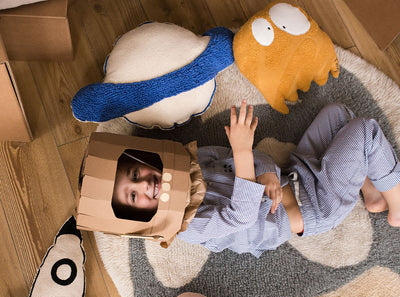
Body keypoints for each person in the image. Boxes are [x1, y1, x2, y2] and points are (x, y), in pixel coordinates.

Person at [112, 100, 400, 257]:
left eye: (135, 174)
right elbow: (242, 216)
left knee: (338, 114)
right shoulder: (187, 225)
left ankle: (372, 192)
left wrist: (266, 172)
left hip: (298, 174)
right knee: (365, 131)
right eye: (133, 195)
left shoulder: (191, 160)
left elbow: (251, 158)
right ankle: (397, 207)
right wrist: (242, 149)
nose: (143, 185)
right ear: (139, 216)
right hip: (318, 206)